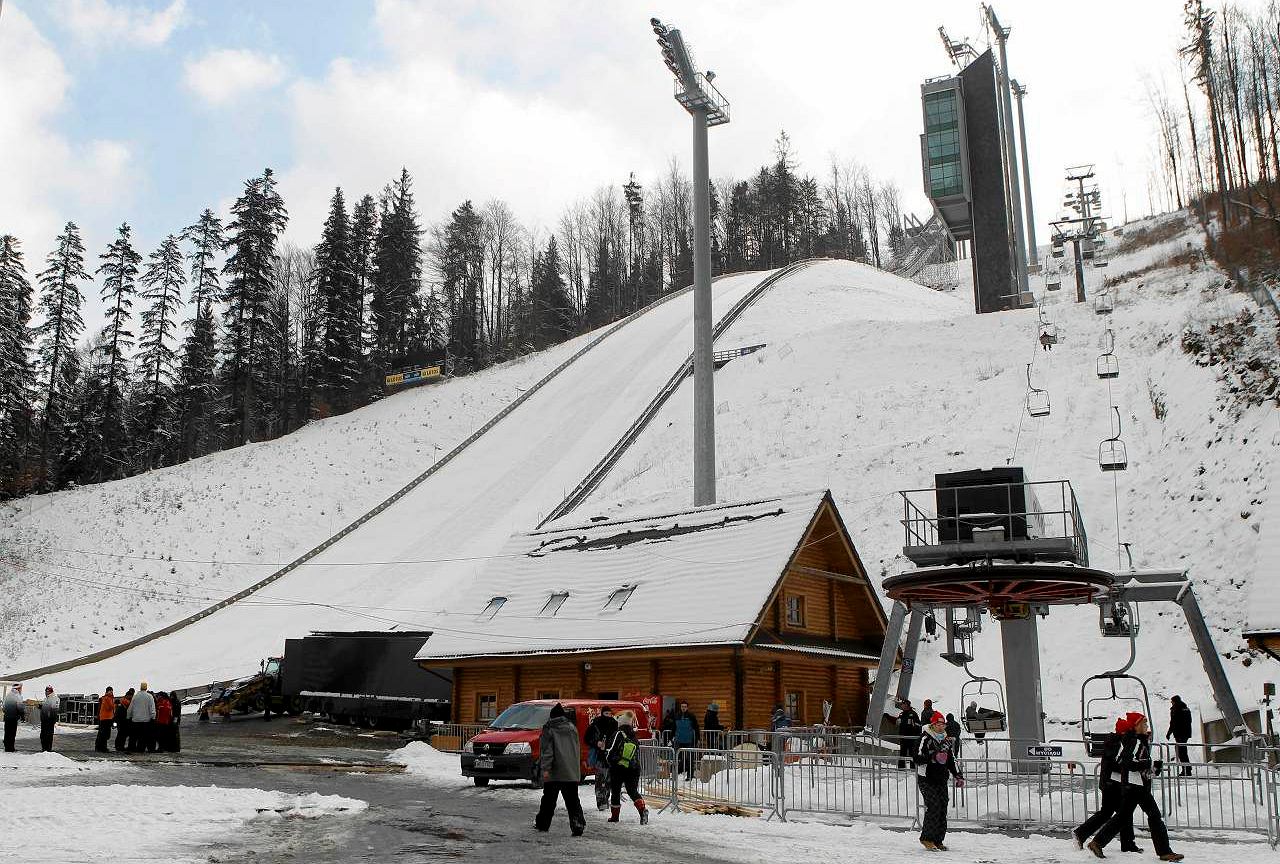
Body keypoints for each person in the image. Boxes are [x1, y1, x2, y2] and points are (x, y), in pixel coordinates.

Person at [1088, 713, 1184, 862]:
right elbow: (1126, 763)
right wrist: (1147, 765)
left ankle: (1097, 842)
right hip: (1135, 786)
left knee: (1123, 817)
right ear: (1137, 726)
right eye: (1144, 724)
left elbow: (1138, 766)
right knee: (1154, 816)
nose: (1147, 727)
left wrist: (1154, 769)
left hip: (1135, 785)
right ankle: (1164, 851)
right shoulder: (1134, 742)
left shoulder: (1139, 741)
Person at [1073, 716, 1140, 853]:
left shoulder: (1114, 742)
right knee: (1120, 813)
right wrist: (1128, 767)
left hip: (1111, 783)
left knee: (1113, 813)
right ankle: (1084, 835)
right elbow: (1115, 764)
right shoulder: (1116, 744)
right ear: (1123, 732)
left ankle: (1082, 834)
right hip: (1112, 784)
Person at [534, 703, 585, 836]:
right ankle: (578, 824)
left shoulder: (549, 729)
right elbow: (576, 749)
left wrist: (545, 769)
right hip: (571, 771)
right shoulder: (572, 728)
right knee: (573, 800)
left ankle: (542, 824)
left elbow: (547, 751)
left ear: (552, 717)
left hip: (555, 772)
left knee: (549, 800)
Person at [915, 711, 963, 851]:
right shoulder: (925, 738)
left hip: (941, 779)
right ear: (933, 725)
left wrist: (958, 775)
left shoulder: (946, 740)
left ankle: (938, 840)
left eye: (943, 725)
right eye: (939, 724)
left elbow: (951, 760)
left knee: (942, 807)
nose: (941, 727)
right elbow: (917, 758)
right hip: (927, 779)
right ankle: (927, 838)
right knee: (934, 806)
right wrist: (933, 758)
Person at [605, 721, 648, 825]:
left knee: (615, 791)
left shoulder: (618, 734)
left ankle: (615, 816)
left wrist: (608, 759)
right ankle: (643, 811)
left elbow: (610, 749)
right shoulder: (634, 737)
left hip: (618, 768)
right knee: (632, 791)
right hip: (633, 768)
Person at [584, 707, 619, 811]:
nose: (608, 715)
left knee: (609, 781)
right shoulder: (595, 724)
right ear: (602, 713)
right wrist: (596, 743)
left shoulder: (614, 724)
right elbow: (586, 738)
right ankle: (600, 802)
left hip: (611, 757)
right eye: (606, 713)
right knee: (600, 780)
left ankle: (606, 800)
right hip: (600, 756)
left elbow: (617, 739)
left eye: (609, 713)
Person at [672, 700, 700, 781]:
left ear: (687, 707)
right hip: (678, 740)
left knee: (689, 758)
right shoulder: (676, 715)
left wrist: (697, 738)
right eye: (682, 707)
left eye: (685, 707)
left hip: (688, 740)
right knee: (676, 758)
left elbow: (696, 727)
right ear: (680, 707)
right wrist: (671, 737)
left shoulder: (691, 716)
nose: (683, 708)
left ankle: (690, 775)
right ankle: (674, 775)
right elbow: (673, 727)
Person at [1166, 695, 1192, 777]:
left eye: (1172, 701)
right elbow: (1189, 721)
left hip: (1180, 734)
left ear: (1174, 701)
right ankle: (1187, 769)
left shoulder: (1176, 709)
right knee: (1183, 751)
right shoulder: (1185, 708)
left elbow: (1173, 723)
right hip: (1185, 733)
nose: (1171, 702)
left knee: (1181, 752)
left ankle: (1186, 770)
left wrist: (1169, 733)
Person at [127, 682, 156, 754]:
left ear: (140, 687)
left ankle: (131, 748)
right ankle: (141, 749)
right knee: (143, 737)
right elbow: (152, 708)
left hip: (135, 720)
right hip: (146, 721)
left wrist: (128, 716)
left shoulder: (135, 696)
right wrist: (153, 717)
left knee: (133, 736)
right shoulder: (149, 696)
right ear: (146, 688)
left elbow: (130, 708)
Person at [896, 699, 921, 769]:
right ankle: (901, 768)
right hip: (903, 737)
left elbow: (918, 725)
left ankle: (913, 768)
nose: (901, 706)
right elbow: (897, 722)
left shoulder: (913, 714)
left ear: (906, 705)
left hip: (911, 738)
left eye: (903, 704)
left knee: (911, 753)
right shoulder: (901, 714)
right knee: (902, 753)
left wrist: (913, 726)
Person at [2, 683, 25, 752]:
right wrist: (22, 716)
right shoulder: (18, 696)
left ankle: (7, 747)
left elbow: (3, 707)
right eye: (20, 688)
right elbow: (20, 707)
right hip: (14, 717)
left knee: (7, 732)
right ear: (18, 688)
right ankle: (10, 748)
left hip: (7, 717)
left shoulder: (8, 695)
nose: (21, 690)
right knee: (12, 733)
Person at [95, 687, 116, 753]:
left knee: (102, 733)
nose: (111, 692)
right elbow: (110, 707)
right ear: (107, 692)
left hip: (105, 718)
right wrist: (115, 704)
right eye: (110, 691)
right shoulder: (107, 698)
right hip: (106, 718)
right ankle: (103, 747)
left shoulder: (106, 698)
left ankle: (99, 747)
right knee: (105, 734)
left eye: (112, 691)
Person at [39, 686, 59, 752]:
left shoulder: (54, 698)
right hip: (44, 720)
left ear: (50, 692)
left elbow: (54, 709)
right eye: (45, 691)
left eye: (47, 691)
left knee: (48, 735)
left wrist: (53, 720)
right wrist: (41, 706)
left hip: (49, 720)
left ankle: (48, 749)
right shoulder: (46, 699)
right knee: (43, 735)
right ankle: (44, 748)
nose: (46, 692)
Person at [114, 687, 134, 752]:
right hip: (123, 720)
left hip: (122, 720)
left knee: (121, 734)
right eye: (131, 696)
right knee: (122, 734)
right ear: (128, 695)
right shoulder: (126, 702)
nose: (131, 697)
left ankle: (119, 746)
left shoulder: (122, 701)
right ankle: (119, 746)